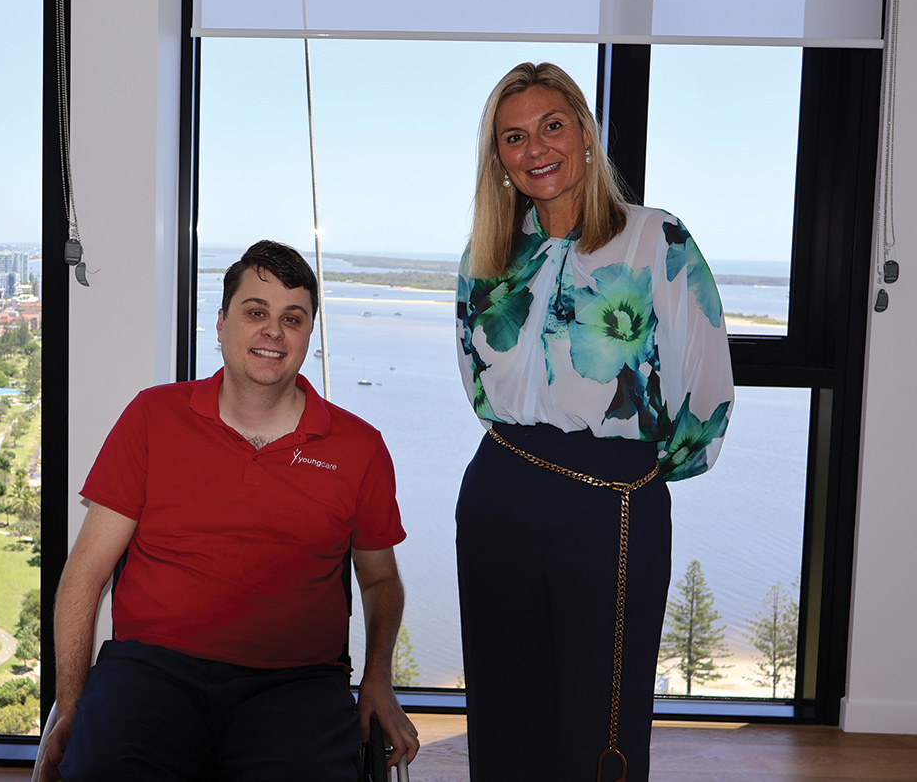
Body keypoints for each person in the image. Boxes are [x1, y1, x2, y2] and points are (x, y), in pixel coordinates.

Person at [41, 240, 421, 782]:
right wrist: (72, 703)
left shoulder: (359, 447)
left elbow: (381, 579)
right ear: (221, 324)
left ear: (307, 336)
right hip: (152, 673)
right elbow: (85, 574)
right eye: (256, 312)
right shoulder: (152, 417)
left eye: (293, 318)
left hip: (296, 686)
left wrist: (378, 679)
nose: (273, 331)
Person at [454, 63, 734, 782]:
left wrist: (633, 473)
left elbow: (705, 390)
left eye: (552, 124)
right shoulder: (486, 255)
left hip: (611, 503)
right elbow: (477, 384)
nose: (535, 147)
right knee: (504, 711)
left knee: (600, 722)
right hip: (496, 496)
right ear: (500, 161)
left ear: (584, 133)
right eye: (513, 137)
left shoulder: (655, 239)